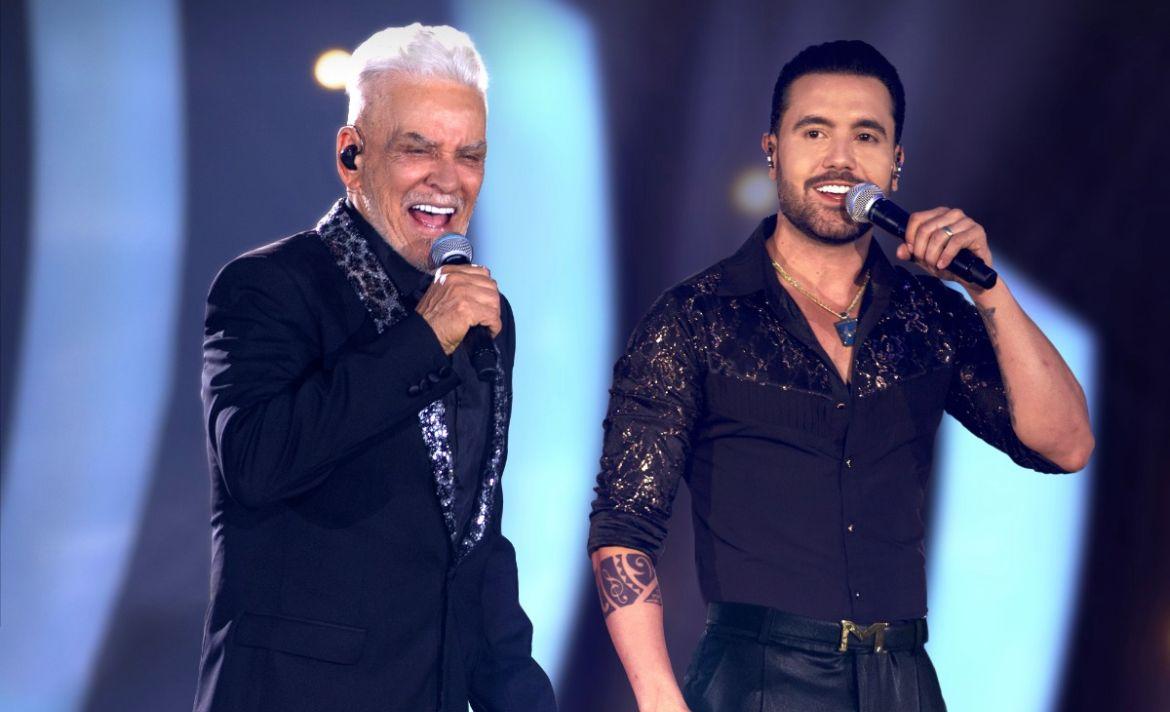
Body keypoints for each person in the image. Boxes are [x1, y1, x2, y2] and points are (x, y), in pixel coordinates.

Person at [587, 40, 1093, 712]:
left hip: (903, 680)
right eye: (814, 132)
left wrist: (987, 288)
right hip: (759, 682)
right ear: (772, 151)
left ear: (895, 163)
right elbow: (624, 526)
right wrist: (659, 699)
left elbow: (1065, 444)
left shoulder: (928, 316)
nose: (840, 159)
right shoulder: (696, 318)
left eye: (866, 136)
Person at [193, 23, 556, 712]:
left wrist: (519, 694)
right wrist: (424, 338)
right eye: (418, 149)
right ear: (351, 155)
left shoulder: (482, 314)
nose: (447, 179)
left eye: (469, 155)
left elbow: (474, 538)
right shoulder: (268, 287)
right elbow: (258, 462)